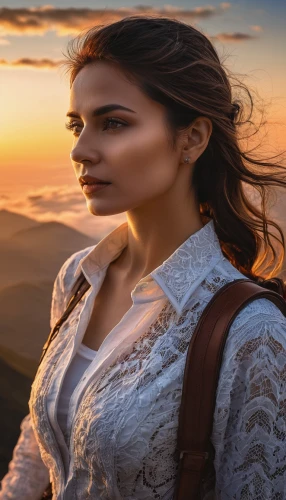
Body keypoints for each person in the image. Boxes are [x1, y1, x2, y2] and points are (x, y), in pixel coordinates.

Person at [1, 15, 286, 500]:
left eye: (113, 123)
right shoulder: (77, 278)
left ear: (192, 138)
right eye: (77, 124)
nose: (80, 150)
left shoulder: (251, 333)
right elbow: (40, 437)